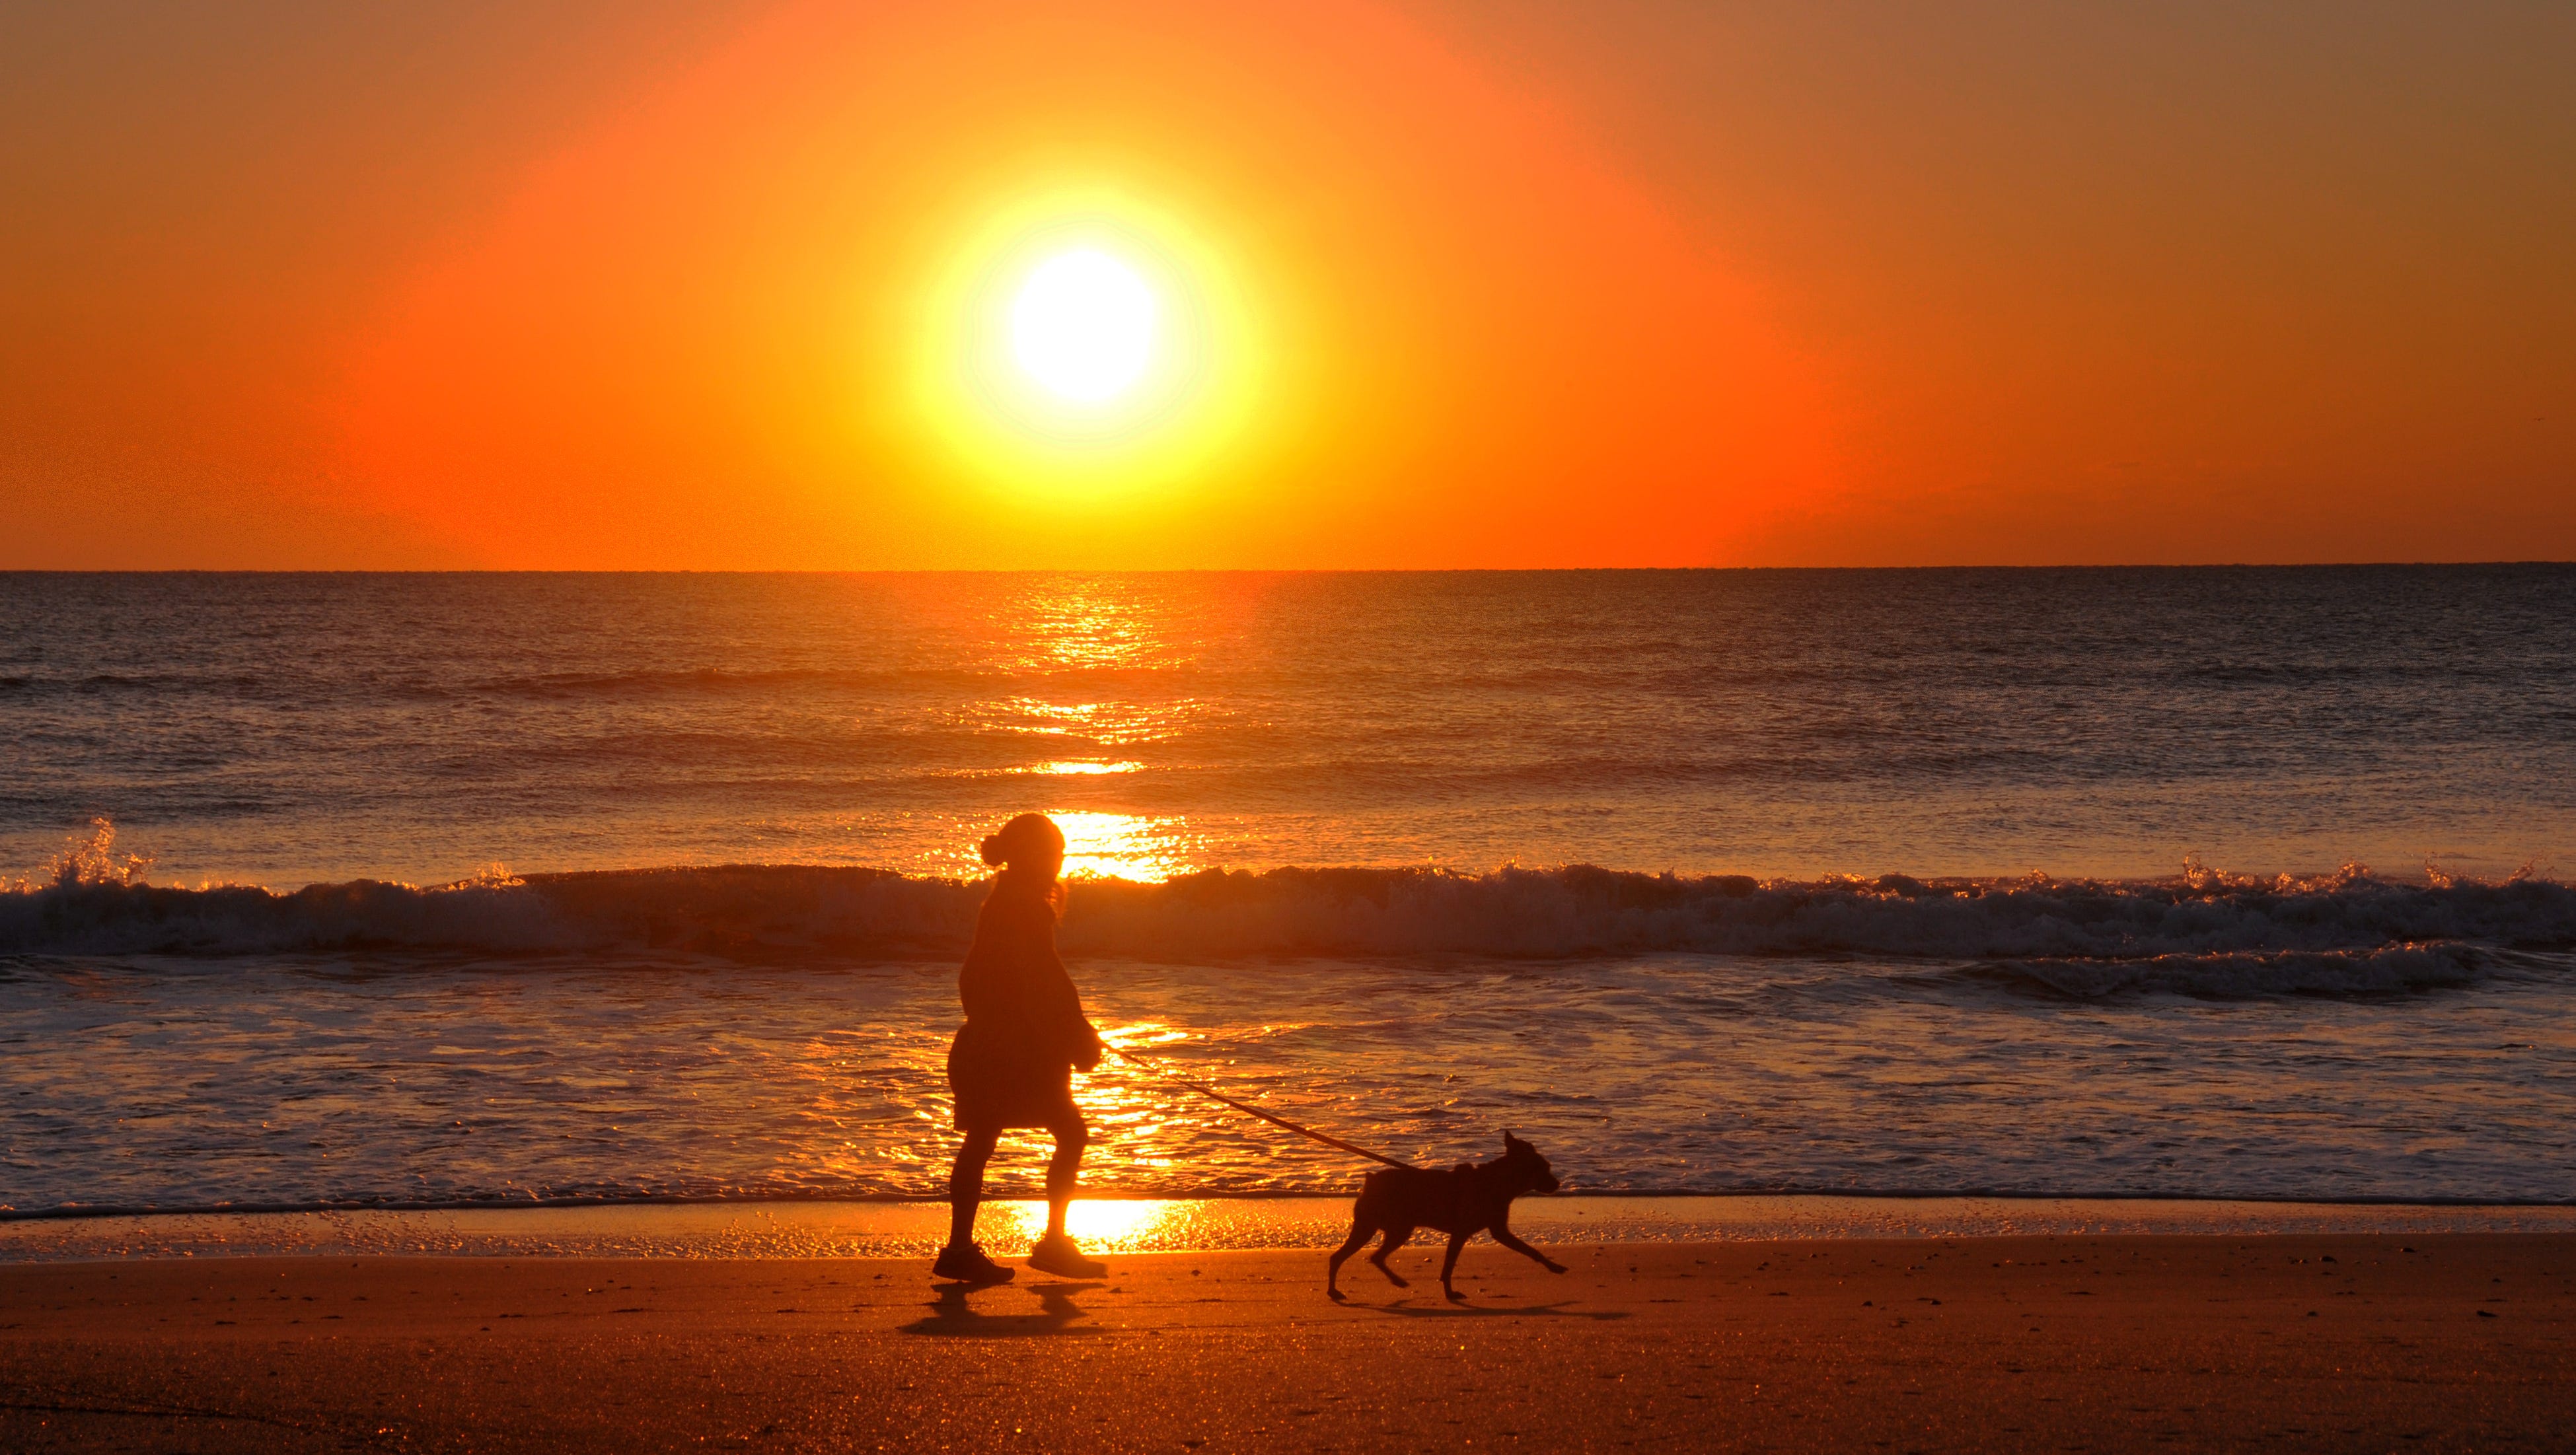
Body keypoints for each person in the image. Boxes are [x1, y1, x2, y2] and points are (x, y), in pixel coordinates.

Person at [934, 812, 1109, 1284]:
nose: (1058, 863)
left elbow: (985, 979)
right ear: (1031, 856)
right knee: (1068, 1132)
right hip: (1010, 1051)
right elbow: (1046, 980)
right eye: (1053, 853)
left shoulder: (1004, 903)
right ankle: (1049, 1243)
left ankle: (961, 1248)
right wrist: (1076, 1033)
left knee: (987, 1140)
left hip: (995, 1045)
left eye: (1061, 853)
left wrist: (1066, 1031)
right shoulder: (1022, 907)